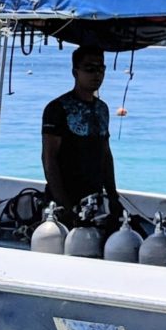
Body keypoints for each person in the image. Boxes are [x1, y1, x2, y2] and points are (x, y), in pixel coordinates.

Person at [41, 46, 120, 223]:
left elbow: (105, 154)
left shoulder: (102, 109)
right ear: (75, 72)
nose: (96, 75)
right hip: (64, 200)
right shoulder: (57, 109)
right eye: (90, 69)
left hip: (94, 200)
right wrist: (65, 206)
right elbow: (49, 159)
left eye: (101, 69)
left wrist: (113, 197)